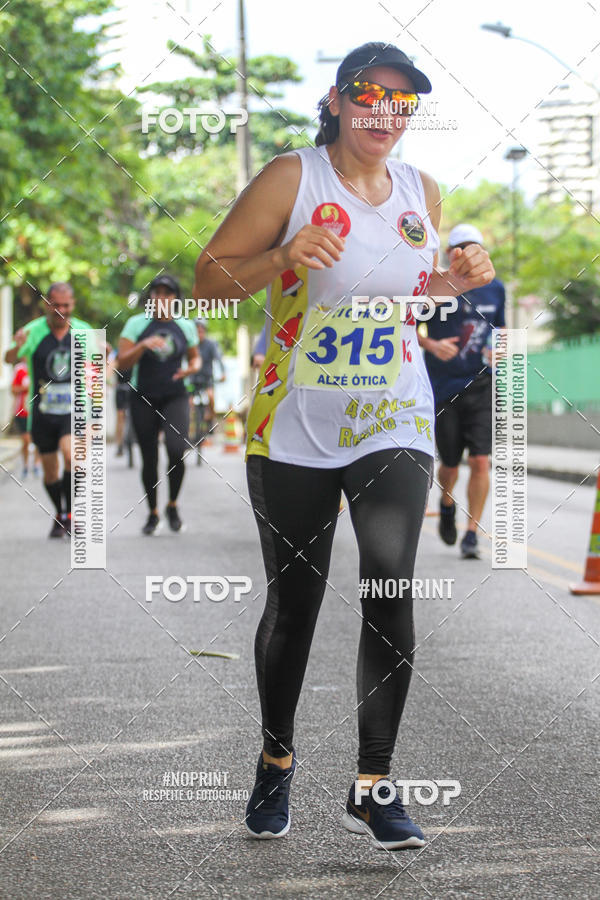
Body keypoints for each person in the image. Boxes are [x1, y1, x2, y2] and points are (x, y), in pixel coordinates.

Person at [194, 42, 494, 849]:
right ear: (338, 99)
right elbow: (208, 279)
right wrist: (285, 255)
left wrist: (452, 284)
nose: (386, 113)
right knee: (296, 603)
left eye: (402, 103)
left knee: (390, 584)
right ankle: (276, 757)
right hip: (293, 423)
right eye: (372, 95)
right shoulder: (293, 179)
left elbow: (405, 290)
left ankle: (373, 781)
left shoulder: (421, 191)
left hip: (392, 417)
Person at [418, 224, 506, 559]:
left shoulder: (495, 288)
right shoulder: (439, 285)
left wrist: (500, 348)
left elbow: (501, 327)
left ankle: (472, 533)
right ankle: (446, 500)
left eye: (473, 247)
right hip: (444, 387)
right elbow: (406, 325)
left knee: (481, 462)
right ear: (449, 253)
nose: (466, 253)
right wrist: (431, 343)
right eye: (459, 247)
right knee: (451, 465)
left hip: (481, 384)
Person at [5, 284, 95, 538]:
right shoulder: (32, 331)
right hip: (42, 412)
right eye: (56, 305)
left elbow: (96, 366)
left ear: (73, 305)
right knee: (50, 471)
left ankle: (68, 514)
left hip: (74, 411)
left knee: (72, 458)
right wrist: (15, 346)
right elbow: (9, 359)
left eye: (66, 305)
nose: (61, 311)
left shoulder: (84, 331)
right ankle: (61, 512)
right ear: (47, 304)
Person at [116, 274, 200, 535]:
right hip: (143, 396)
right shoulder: (136, 324)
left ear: (176, 299)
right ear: (150, 297)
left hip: (175, 395)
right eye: (157, 293)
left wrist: (191, 370)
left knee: (177, 450)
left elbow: (195, 359)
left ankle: (172, 505)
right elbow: (122, 362)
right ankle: (153, 512)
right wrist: (142, 345)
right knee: (149, 457)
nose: (161, 298)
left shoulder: (185, 326)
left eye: (167, 293)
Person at [188, 319, 226, 424]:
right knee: (189, 401)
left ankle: (211, 414)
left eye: (201, 331)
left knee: (210, 395)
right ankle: (189, 421)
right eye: (197, 331)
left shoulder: (210, 344)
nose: (199, 334)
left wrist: (223, 373)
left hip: (207, 378)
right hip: (193, 378)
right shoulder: (191, 344)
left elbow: (219, 359)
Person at [11, 360, 40, 478]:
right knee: (26, 440)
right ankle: (26, 466)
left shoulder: (39, 364)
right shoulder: (20, 369)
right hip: (22, 411)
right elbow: (13, 389)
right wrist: (25, 387)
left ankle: (37, 465)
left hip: (37, 410)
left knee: (38, 439)